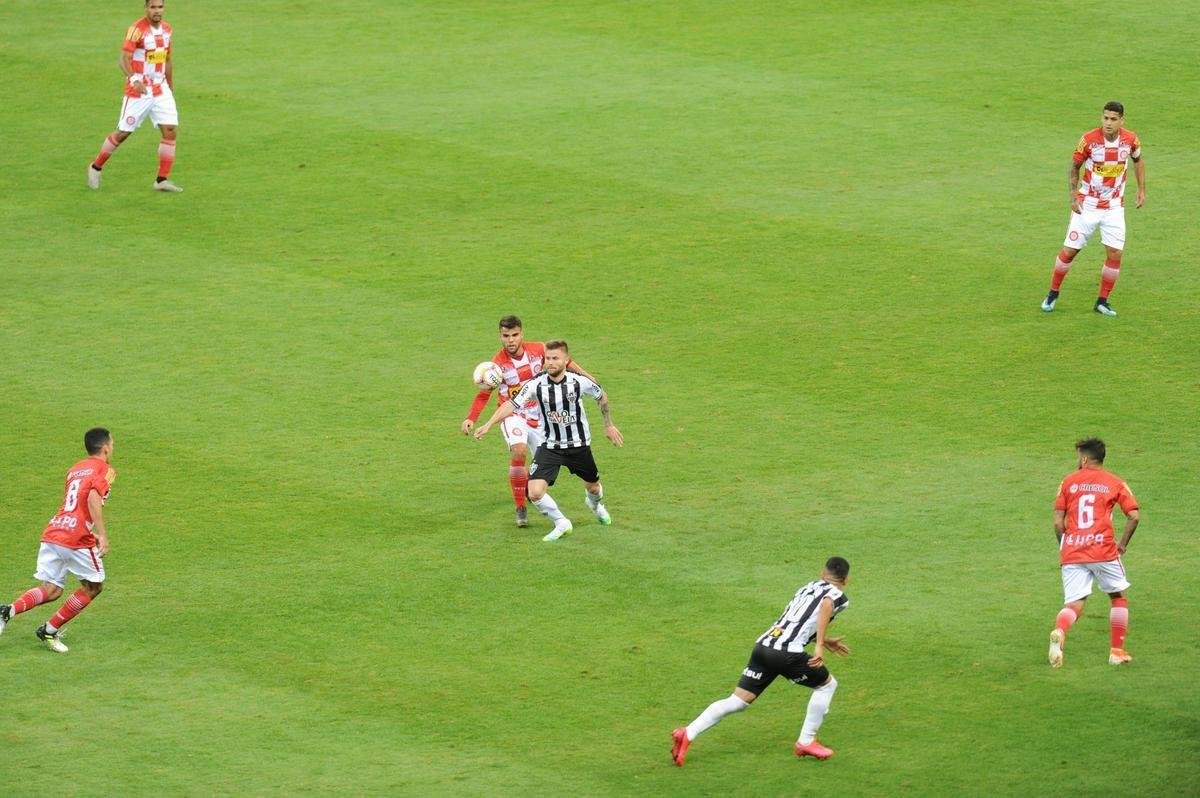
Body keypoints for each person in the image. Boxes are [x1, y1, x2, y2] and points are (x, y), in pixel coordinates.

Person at [671, 557, 852, 766]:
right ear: (846, 580)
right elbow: (826, 604)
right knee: (826, 686)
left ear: (822, 574)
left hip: (764, 646)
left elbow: (797, 621)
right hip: (787, 653)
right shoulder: (838, 595)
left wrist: (824, 640)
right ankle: (806, 741)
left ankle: (688, 733)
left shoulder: (807, 587)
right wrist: (819, 644)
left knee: (738, 701)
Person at [474, 340, 622, 541]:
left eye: (555, 358)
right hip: (550, 446)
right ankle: (561, 523)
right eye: (548, 358)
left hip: (578, 445)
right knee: (534, 492)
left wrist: (608, 424)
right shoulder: (535, 384)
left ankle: (595, 506)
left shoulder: (579, 382)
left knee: (594, 488)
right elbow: (511, 404)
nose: (550, 362)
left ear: (565, 361)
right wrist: (488, 424)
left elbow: (602, 396)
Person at [461, 317, 598, 528]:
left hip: (541, 417)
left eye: (514, 335)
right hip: (512, 414)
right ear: (500, 337)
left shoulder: (538, 350)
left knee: (543, 471)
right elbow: (484, 394)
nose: (510, 340)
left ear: (521, 334)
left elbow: (566, 363)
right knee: (519, 450)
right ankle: (520, 507)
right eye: (506, 336)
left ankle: (527, 490)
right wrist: (472, 418)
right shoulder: (496, 366)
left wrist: (586, 376)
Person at [0, 428, 117, 654]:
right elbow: (92, 499)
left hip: (55, 531)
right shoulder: (106, 470)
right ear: (105, 447)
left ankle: (7, 611)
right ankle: (49, 630)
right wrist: (101, 534)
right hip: (75, 538)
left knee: (52, 589)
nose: (112, 448)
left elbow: (74, 505)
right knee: (93, 587)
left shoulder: (74, 469)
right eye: (112, 444)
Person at [1041, 102, 1145, 316]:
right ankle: (1052, 293)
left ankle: (1102, 301)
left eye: (1113, 119)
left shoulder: (1130, 140)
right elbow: (1074, 167)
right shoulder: (1089, 140)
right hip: (1087, 206)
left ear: (1122, 121)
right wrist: (1072, 196)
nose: (1108, 123)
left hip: (1115, 207)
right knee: (1070, 251)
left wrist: (1141, 189)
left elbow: (1138, 160)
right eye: (1105, 118)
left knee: (1115, 254)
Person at [1048, 438, 1139, 668]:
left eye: (1078, 457)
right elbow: (1134, 515)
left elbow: (1058, 523)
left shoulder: (1068, 482)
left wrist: (1065, 544)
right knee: (1118, 597)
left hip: (1073, 551)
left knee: (1074, 604)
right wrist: (1123, 544)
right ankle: (1116, 652)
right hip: (1104, 550)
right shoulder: (1115, 482)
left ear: (1085, 458)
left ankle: (1060, 630)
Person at [87, 0, 182, 193]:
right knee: (123, 132)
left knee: (170, 130)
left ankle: (161, 180)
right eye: (153, 7)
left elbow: (167, 59)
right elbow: (123, 59)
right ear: (146, 8)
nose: (157, 11)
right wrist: (134, 80)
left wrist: (169, 85)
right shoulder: (136, 30)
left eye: (160, 7)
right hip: (139, 90)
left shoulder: (167, 29)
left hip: (160, 88)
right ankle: (95, 167)